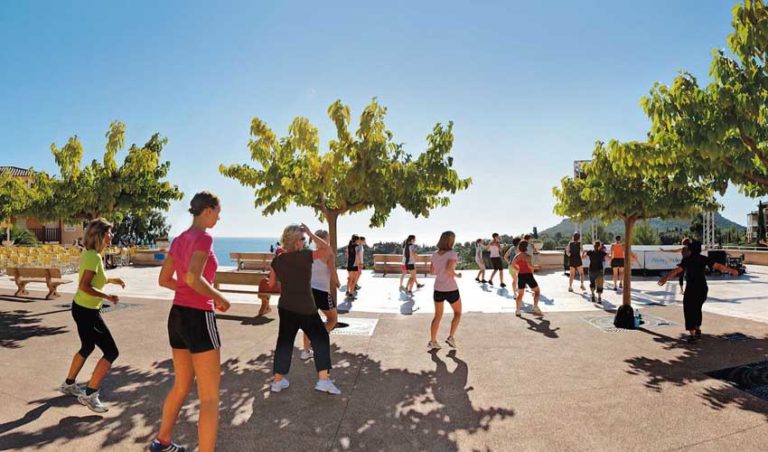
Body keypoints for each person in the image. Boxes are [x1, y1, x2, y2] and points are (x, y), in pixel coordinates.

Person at [151, 192, 231, 452]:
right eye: (218, 212)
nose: (219, 217)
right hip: (198, 317)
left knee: (181, 385)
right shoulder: (204, 238)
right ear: (207, 210)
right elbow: (194, 278)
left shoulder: (179, 240)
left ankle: (162, 441)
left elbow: (165, 280)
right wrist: (219, 297)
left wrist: (188, 291)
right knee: (209, 398)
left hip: (177, 316)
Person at [59, 218, 125, 413]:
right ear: (100, 235)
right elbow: (84, 286)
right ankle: (90, 394)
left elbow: (94, 278)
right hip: (87, 311)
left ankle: (68, 384)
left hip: (82, 308)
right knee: (111, 352)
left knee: (87, 346)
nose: (112, 235)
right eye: (109, 232)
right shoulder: (93, 257)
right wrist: (108, 296)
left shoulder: (92, 254)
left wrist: (111, 280)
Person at [270, 224, 341, 395]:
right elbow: (328, 250)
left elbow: (271, 283)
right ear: (296, 242)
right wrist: (311, 233)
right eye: (303, 238)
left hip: (285, 307)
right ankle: (323, 381)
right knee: (321, 338)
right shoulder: (305, 256)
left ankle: (277, 382)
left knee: (284, 342)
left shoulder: (277, 260)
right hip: (306, 308)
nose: (305, 241)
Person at [658, 240, 738, 343]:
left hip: (691, 288)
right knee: (697, 308)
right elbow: (718, 266)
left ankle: (692, 335)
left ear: (691, 249)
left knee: (689, 309)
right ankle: (697, 328)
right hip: (702, 288)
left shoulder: (687, 260)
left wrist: (665, 278)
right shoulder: (703, 258)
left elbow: (677, 270)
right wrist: (732, 270)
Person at [302, 230, 341, 360]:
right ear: (325, 239)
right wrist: (337, 282)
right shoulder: (328, 254)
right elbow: (332, 271)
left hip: (309, 292)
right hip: (322, 292)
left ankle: (305, 351)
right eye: (328, 238)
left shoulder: (310, 254)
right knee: (333, 320)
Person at [428, 231, 462, 350]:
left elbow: (432, 272)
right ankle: (450, 337)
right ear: (451, 241)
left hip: (438, 288)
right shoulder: (452, 254)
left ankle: (433, 341)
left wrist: (440, 270)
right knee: (457, 313)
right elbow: (449, 270)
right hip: (451, 288)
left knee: (437, 316)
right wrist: (457, 275)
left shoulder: (434, 254)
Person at [512, 240, 541, 317]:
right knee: (537, 291)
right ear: (526, 247)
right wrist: (536, 267)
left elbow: (513, 264)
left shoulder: (517, 256)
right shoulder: (528, 256)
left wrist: (518, 269)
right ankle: (535, 306)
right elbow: (530, 266)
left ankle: (518, 310)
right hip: (528, 275)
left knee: (520, 294)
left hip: (521, 275)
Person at [345, 235, 360, 299]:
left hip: (349, 264)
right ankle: (351, 294)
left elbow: (347, 256)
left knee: (350, 279)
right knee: (353, 280)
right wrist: (359, 264)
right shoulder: (357, 246)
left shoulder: (349, 246)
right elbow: (357, 256)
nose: (359, 241)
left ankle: (347, 291)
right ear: (356, 240)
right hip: (354, 265)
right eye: (358, 239)